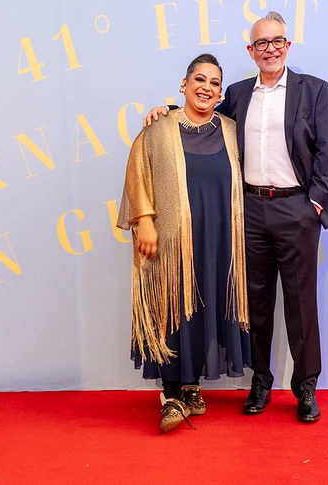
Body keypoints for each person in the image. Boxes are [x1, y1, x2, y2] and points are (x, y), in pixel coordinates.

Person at [144, 12, 328, 423]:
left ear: (288, 45)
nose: (269, 48)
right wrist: (163, 109)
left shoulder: (314, 91)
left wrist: (314, 205)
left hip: (296, 209)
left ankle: (305, 387)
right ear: (250, 51)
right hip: (248, 211)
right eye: (261, 43)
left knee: (302, 305)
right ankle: (261, 382)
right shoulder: (236, 93)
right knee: (254, 304)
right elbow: (201, 112)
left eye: (277, 41)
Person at [117, 53, 251, 434]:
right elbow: (137, 171)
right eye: (199, 80)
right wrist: (144, 221)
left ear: (220, 92)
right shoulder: (159, 128)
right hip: (173, 238)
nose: (206, 87)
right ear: (184, 84)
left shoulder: (229, 129)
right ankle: (171, 394)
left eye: (214, 83)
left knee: (206, 307)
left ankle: (192, 389)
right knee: (174, 308)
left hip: (221, 239)